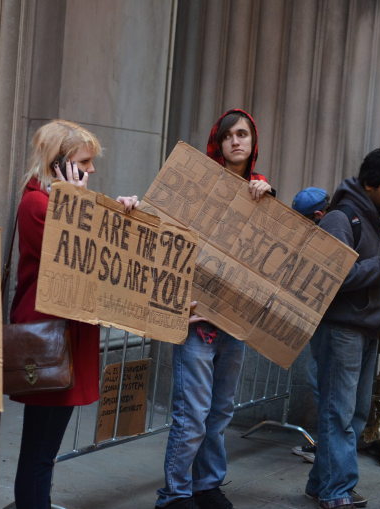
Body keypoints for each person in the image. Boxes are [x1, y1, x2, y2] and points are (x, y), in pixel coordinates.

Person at [10, 119, 138, 509]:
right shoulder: (37, 204)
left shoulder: (64, 203)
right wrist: (81, 205)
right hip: (50, 338)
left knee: (45, 447)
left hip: (67, 335)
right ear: (59, 164)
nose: (93, 170)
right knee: (39, 448)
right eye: (85, 161)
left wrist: (125, 214)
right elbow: (73, 263)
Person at [155, 109, 272, 509]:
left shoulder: (264, 194)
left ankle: (207, 485)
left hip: (233, 325)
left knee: (220, 413)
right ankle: (174, 494)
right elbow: (167, 236)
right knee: (192, 415)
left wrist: (266, 199)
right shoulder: (197, 189)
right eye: (228, 136)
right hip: (195, 321)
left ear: (253, 143)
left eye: (243, 134)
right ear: (218, 144)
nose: (236, 141)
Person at [305, 149, 380, 509]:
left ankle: (322, 485)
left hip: (365, 329)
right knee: (339, 413)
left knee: (354, 413)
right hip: (341, 330)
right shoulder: (342, 217)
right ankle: (337, 491)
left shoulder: (374, 218)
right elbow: (333, 277)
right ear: (369, 184)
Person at [289, 186, 329, 463]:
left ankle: (324, 450)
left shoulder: (332, 234)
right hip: (328, 322)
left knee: (322, 385)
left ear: (316, 215)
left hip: (332, 324)